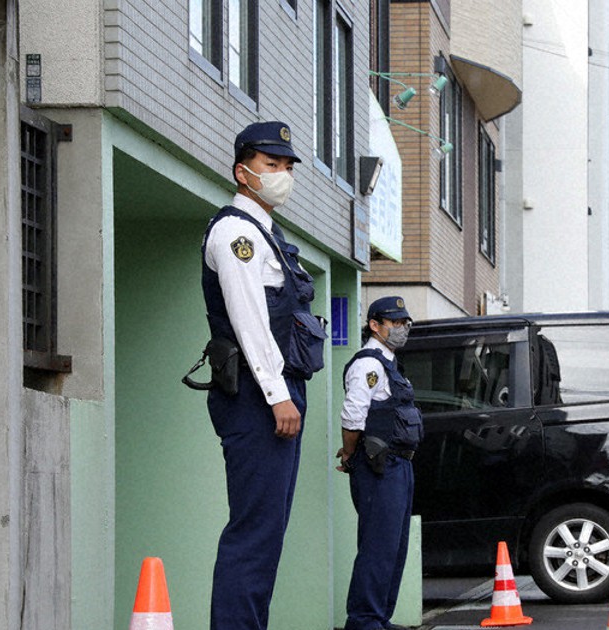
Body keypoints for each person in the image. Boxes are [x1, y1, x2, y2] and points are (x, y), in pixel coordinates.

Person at [200, 121, 324, 629]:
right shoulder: (236, 233)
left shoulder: (267, 234)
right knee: (254, 532)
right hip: (258, 396)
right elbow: (249, 318)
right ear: (243, 172)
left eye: (287, 167)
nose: (282, 175)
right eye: (271, 166)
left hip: (277, 392)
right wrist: (277, 394)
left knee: (267, 532)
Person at [336, 296, 423, 630]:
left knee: (394, 547)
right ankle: (363, 620)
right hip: (379, 466)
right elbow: (353, 415)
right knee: (377, 546)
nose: (402, 328)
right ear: (375, 325)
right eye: (395, 322)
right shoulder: (368, 364)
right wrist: (349, 454)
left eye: (404, 323)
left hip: (399, 465)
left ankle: (378, 617)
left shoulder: (389, 363)